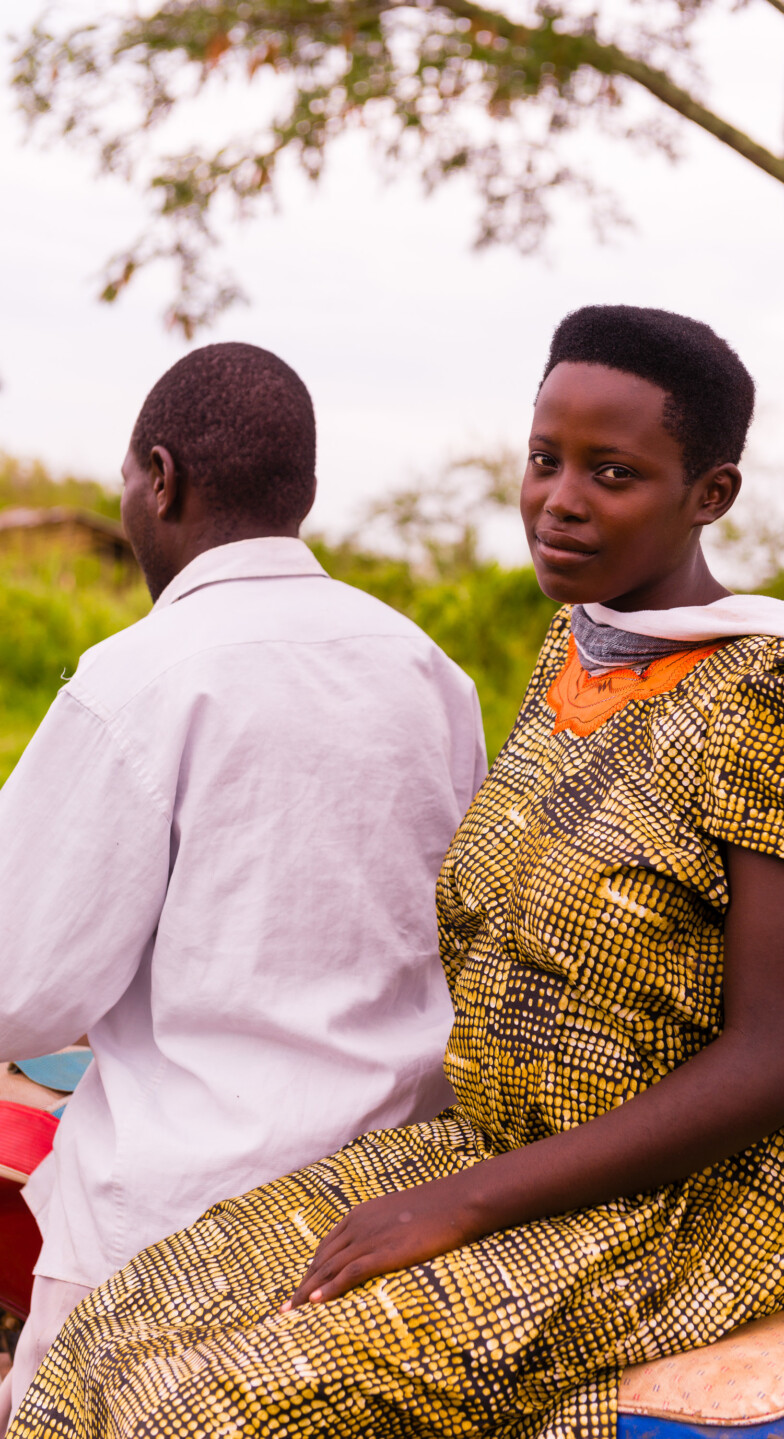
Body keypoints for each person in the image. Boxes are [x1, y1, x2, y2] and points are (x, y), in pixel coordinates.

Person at [8, 309, 784, 1439]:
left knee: (199, 1407)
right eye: (546, 460)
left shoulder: (781, 691)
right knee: (107, 1336)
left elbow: (780, 1060)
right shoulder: (576, 650)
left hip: (671, 1199)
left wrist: (456, 1204)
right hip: (492, 1143)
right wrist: (458, 1180)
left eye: (614, 472)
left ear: (711, 493)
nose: (562, 499)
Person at [0, 342, 487, 1431]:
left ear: (160, 478)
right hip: (384, 1215)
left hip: (163, 1230)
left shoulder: (143, 674)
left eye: (128, 482)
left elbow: (22, 989)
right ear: (303, 497)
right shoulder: (428, 671)